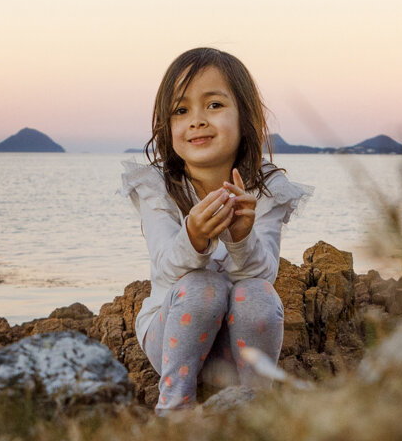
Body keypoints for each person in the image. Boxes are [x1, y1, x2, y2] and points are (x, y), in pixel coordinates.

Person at [120, 48, 312, 414]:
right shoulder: (157, 187)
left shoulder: (265, 191)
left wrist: (241, 237)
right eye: (181, 110)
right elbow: (164, 267)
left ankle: (255, 408)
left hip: (235, 346)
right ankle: (174, 410)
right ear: (167, 126)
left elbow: (265, 273)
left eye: (214, 106)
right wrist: (193, 237)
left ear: (245, 117)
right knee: (201, 287)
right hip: (173, 339)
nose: (196, 121)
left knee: (257, 292)